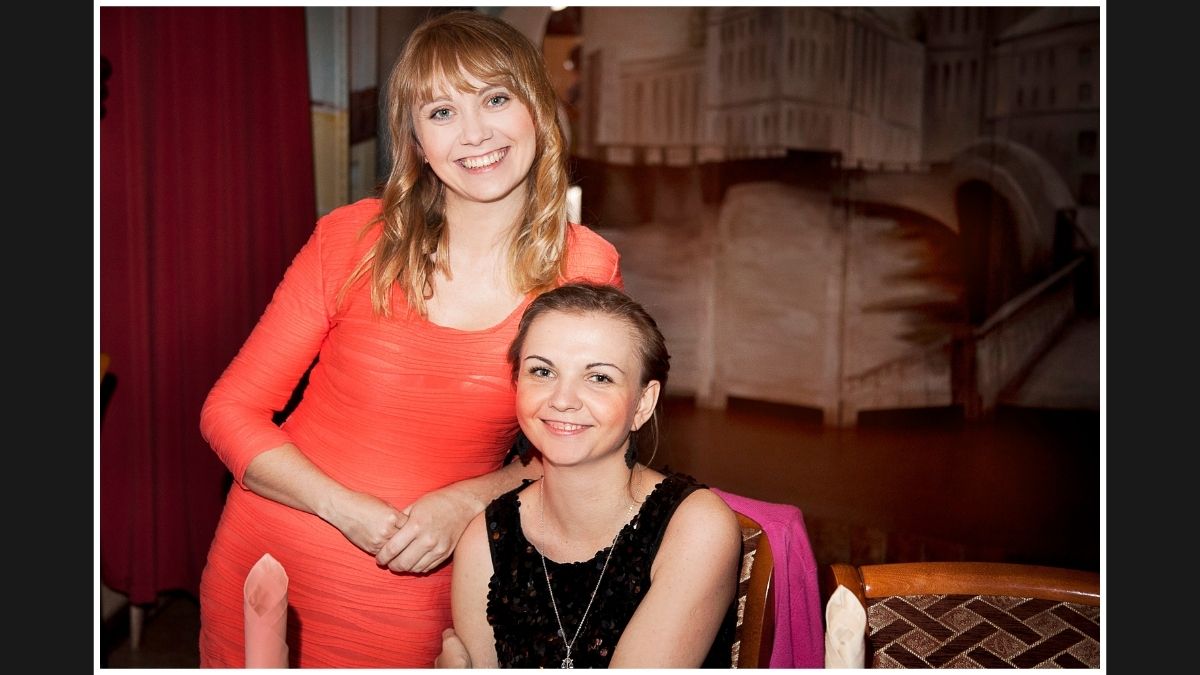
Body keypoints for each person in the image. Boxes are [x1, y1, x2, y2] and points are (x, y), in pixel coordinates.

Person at [196, 11, 623, 668]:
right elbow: (229, 410)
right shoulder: (351, 238)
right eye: (442, 112)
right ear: (418, 141)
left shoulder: (585, 268)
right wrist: (349, 511)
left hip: (421, 593)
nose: (474, 132)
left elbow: (584, 449)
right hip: (265, 571)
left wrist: (466, 500)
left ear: (538, 109)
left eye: (495, 98)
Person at [438, 282, 742, 668]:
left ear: (643, 403)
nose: (562, 400)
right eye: (542, 371)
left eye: (599, 378)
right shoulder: (486, 539)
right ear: (516, 386)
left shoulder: (695, 528)